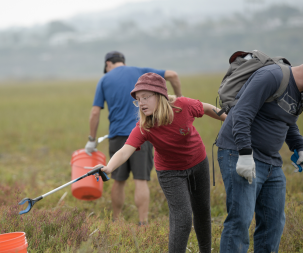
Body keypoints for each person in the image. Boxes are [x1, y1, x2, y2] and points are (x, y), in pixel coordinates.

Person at [94, 73, 226, 252]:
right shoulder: (144, 127)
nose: (141, 103)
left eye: (145, 97)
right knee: (183, 218)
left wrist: (229, 119)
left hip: (198, 163)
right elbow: (125, 150)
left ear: (160, 95)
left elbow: (208, 108)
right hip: (170, 172)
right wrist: (108, 167)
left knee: (202, 212)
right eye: (138, 100)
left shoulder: (183, 106)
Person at [85, 51, 183, 224]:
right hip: (143, 132)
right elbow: (173, 75)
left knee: (118, 180)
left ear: (108, 64)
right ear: (122, 61)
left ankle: (115, 220)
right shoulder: (141, 72)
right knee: (141, 180)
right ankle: (143, 223)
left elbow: (94, 112)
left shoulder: (104, 79)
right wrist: (180, 100)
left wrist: (91, 140)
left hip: (117, 136)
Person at [216, 63, 303, 252]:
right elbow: (241, 113)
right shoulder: (271, 76)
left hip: (272, 162)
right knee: (241, 219)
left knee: (274, 224)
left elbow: (288, 121)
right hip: (238, 153)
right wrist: (245, 154)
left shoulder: (300, 93)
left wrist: (300, 147)